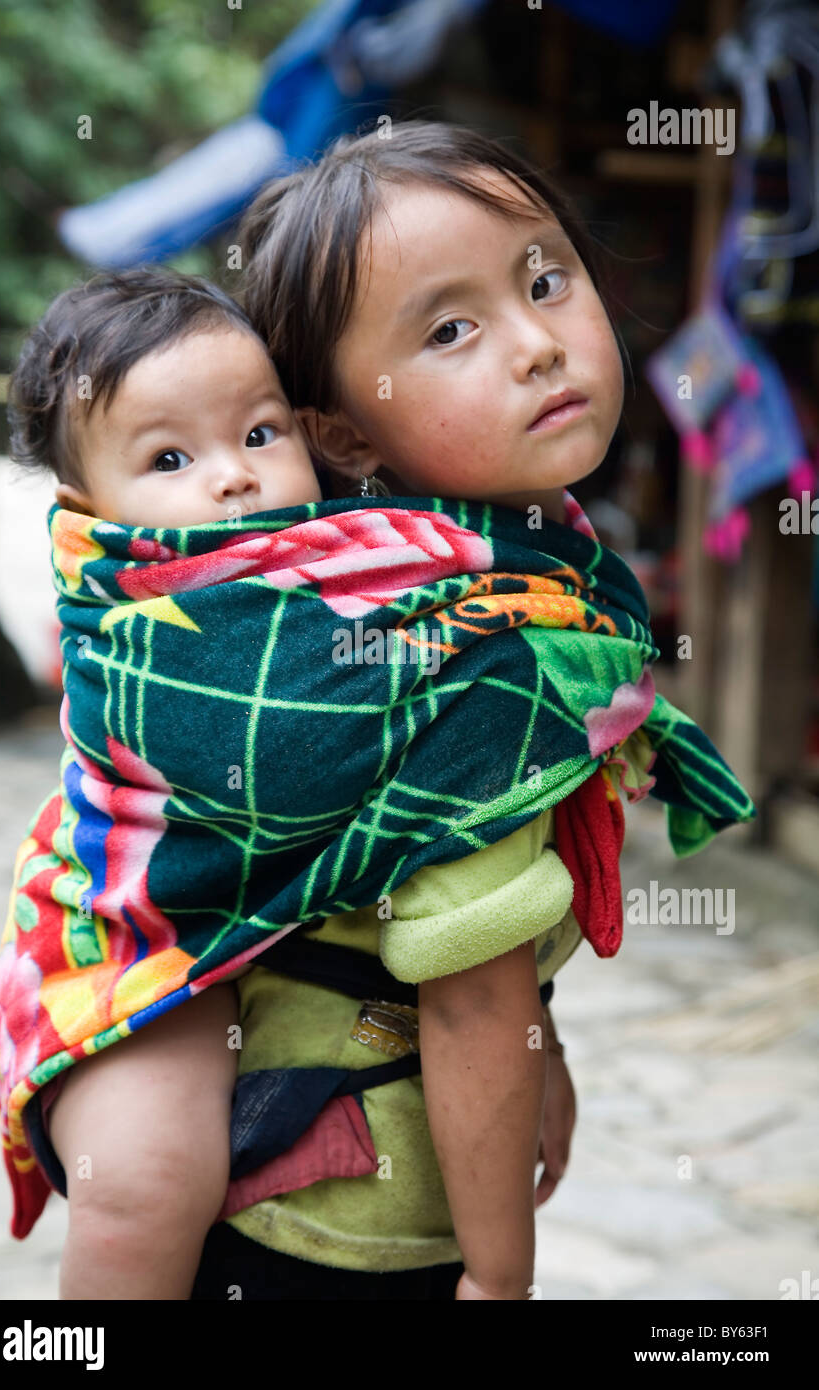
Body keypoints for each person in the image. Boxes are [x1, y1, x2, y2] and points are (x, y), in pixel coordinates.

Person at [186, 117, 663, 1301]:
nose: (537, 344)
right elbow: (471, 995)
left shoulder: (486, 567)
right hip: (346, 1220)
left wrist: (539, 1046)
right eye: (450, 331)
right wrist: (500, 1283)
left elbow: (503, 979)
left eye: (543, 279)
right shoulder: (467, 648)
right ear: (345, 433)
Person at [2, 267, 327, 1298]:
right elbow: (275, 749)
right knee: (146, 1176)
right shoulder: (128, 603)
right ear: (88, 507)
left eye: (261, 432)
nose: (232, 477)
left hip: (298, 934)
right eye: (171, 456)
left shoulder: (373, 558)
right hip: (145, 922)